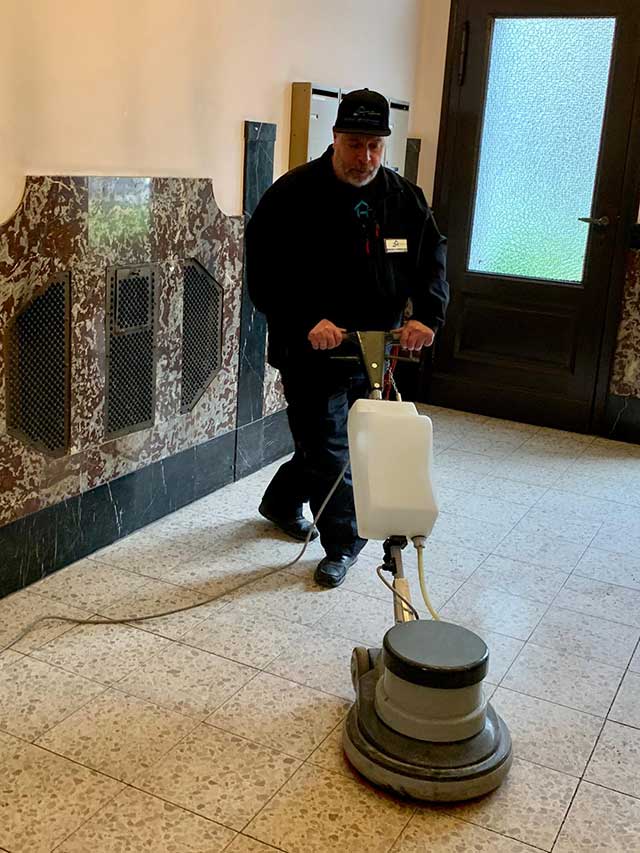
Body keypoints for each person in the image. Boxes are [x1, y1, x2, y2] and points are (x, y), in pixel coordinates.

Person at [246, 88, 449, 588]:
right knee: (329, 446)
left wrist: (427, 315)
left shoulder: (403, 198)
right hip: (310, 348)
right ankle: (343, 544)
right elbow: (266, 275)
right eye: (355, 144)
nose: (365, 157)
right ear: (335, 137)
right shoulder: (292, 196)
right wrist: (306, 319)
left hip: (374, 347)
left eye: (375, 146)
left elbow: (431, 260)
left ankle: (280, 501)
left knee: (344, 443)